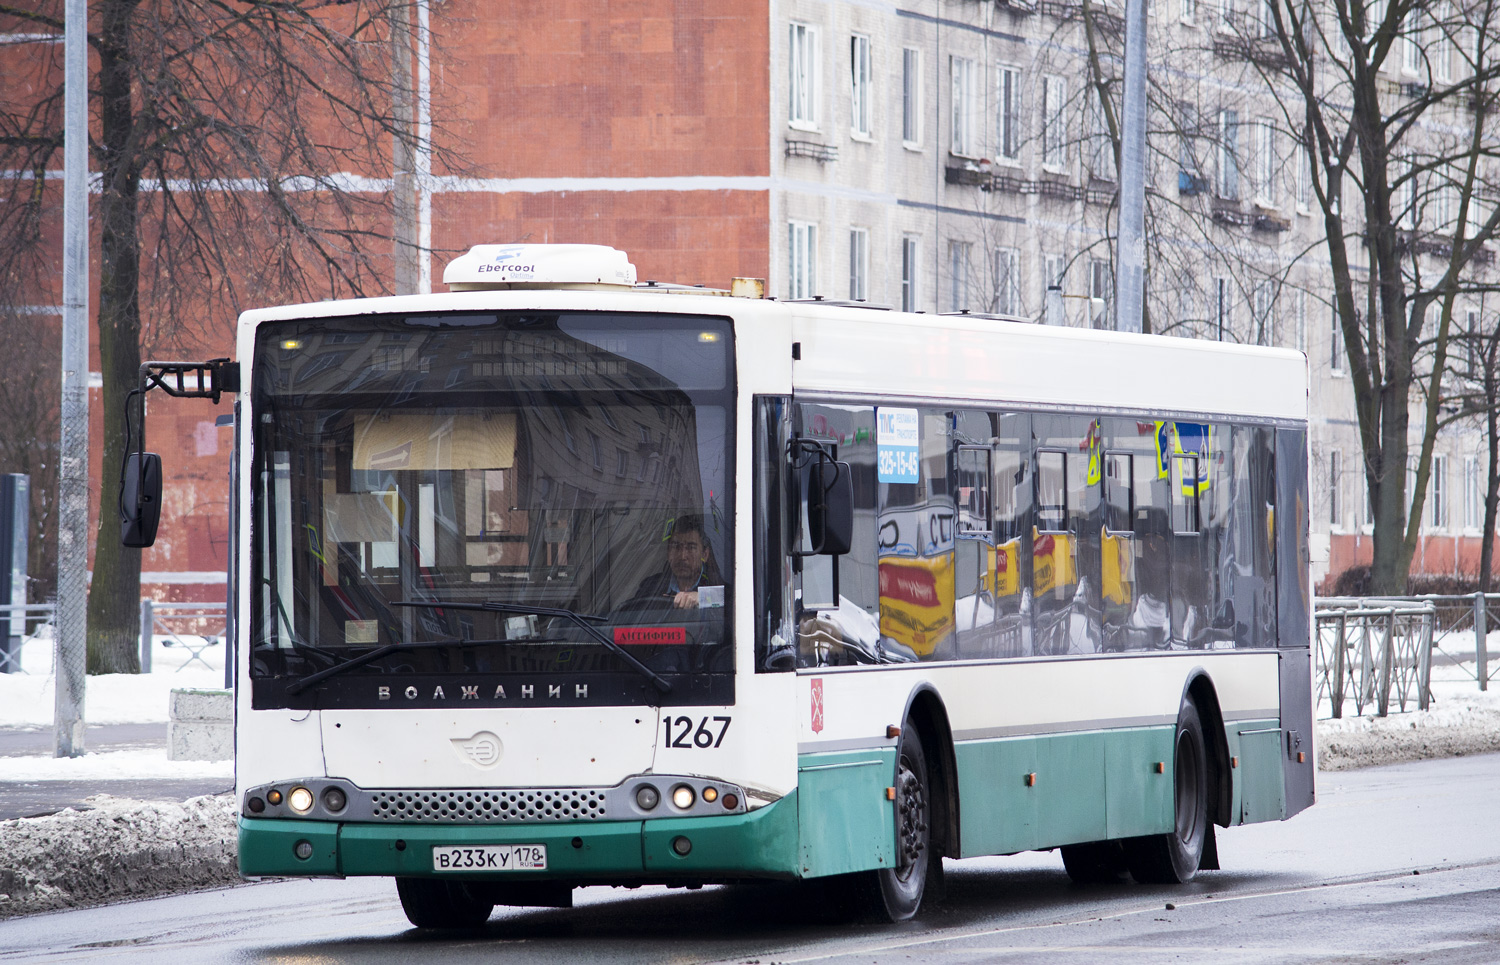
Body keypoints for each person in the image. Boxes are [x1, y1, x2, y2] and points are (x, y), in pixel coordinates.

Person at [634, 514, 722, 609]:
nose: (682, 556)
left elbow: (731, 600)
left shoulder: (715, 584)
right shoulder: (650, 586)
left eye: (691, 547)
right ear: (668, 552)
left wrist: (702, 598)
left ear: (704, 555)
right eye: (676, 546)